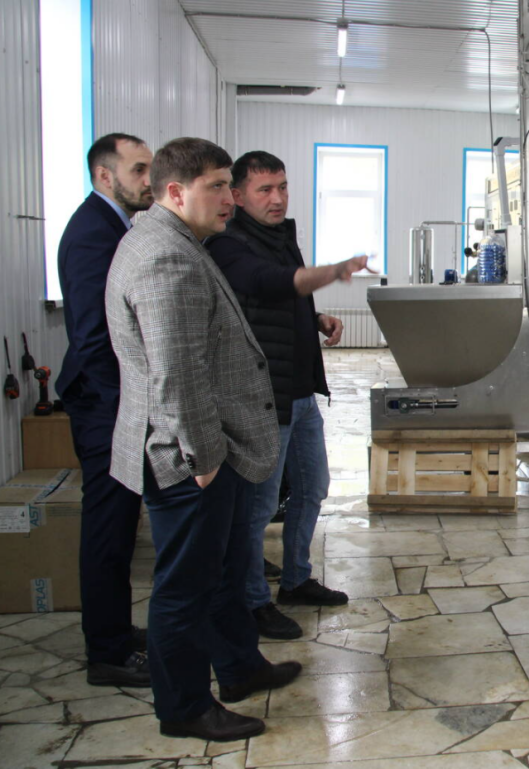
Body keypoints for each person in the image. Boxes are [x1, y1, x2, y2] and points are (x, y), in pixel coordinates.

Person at [105, 137, 300, 741]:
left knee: (220, 571)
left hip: (207, 445)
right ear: (174, 191)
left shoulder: (176, 240)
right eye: (216, 187)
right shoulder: (165, 256)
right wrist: (201, 457)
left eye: (226, 185)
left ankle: (239, 667)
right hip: (188, 455)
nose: (229, 199)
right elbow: (176, 372)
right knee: (184, 588)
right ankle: (185, 707)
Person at [207, 151, 369, 639]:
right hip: (263, 398)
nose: (277, 198)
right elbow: (267, 283)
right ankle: (253, 601)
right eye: (265, 190)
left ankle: (296, 580)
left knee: (313, 487)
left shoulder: (281, 237)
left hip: (300, 392)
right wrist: (332, 271)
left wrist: (315, 318)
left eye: (282, 187)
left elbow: (280, 299)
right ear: (238, 196)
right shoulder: (228, 244)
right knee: (259, 507)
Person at [57, 133, 154, 688]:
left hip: (113, 402)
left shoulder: (116, 227)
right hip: (105, 405)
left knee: (119, 529)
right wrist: (127, 411)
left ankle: (114, 630)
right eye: (138, 169)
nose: (148, 179)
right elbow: (94, 337)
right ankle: (107, 653)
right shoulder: (93, 233)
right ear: (104, 175)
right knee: (108, 531)